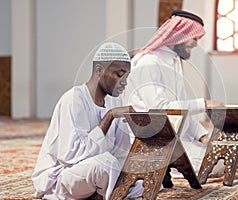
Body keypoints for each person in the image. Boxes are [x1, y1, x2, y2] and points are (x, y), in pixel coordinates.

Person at [32, 42, 143, 200]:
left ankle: (100, 194)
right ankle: (105, 192)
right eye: (119, 75)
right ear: (99, 70)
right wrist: (109, 116)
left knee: (145, 182)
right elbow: (72, 155)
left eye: (127, 77)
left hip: (101, 175)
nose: (124, 82)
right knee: (105, 164)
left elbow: (121, 152)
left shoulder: (115, 101)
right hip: (65, 175)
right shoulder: (74, 99)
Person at [124, 10, 224, 175]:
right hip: (154, 141)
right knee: (211, 164)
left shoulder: (173, 60)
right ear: (179, 36)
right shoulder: (149, 62)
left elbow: (182, 106)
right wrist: (203, 104)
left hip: (176, 138)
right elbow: (158, 108)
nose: (195, 44)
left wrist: (202, 136)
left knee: (219, 158)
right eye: (194, 38)